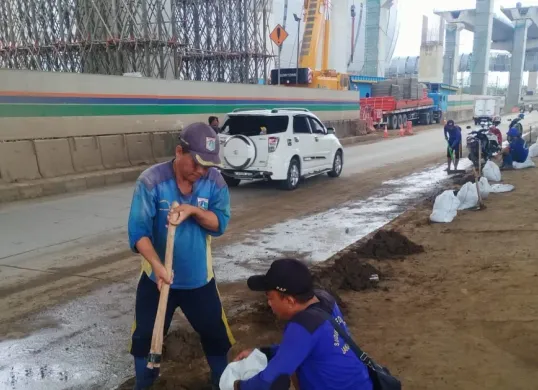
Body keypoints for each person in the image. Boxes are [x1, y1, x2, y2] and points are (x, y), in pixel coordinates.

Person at [127, 122, 234, 390]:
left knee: (215, 336)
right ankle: (144, 383)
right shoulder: (151, 182)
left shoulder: (214, 182)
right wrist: (157, 265)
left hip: (199, 279)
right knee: (145, 339)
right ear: (178, 152)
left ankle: (219, 383)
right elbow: (139, 234)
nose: (201, 171)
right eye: (196, 163)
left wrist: (194, 211)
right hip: (157, 280)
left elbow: (220, 223)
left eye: (207, 165)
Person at [232, 258, 373, 390]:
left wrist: (237, 386)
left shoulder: (303, 326)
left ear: (290, 301)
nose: (269, 303)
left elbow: (269, 380)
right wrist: (263, 353)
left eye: (270, 298)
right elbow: (299, 348)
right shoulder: (325, 301)